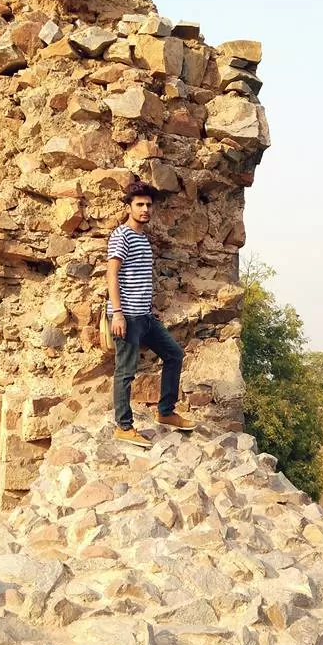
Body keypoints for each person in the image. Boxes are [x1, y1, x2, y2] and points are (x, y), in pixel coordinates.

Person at [107, 181, 195, 448]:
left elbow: (140, 277)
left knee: (174, 354)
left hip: (144, 316)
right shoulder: (121, 235)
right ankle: (124, 426)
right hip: (128, 317)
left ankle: (166, 412)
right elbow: (112, 274)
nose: (145, 209)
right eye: (139, 205)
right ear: (129, 207)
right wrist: (118, 314)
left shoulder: (143, 239)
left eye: (148, 205)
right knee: (125, 371)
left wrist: (149, 308)